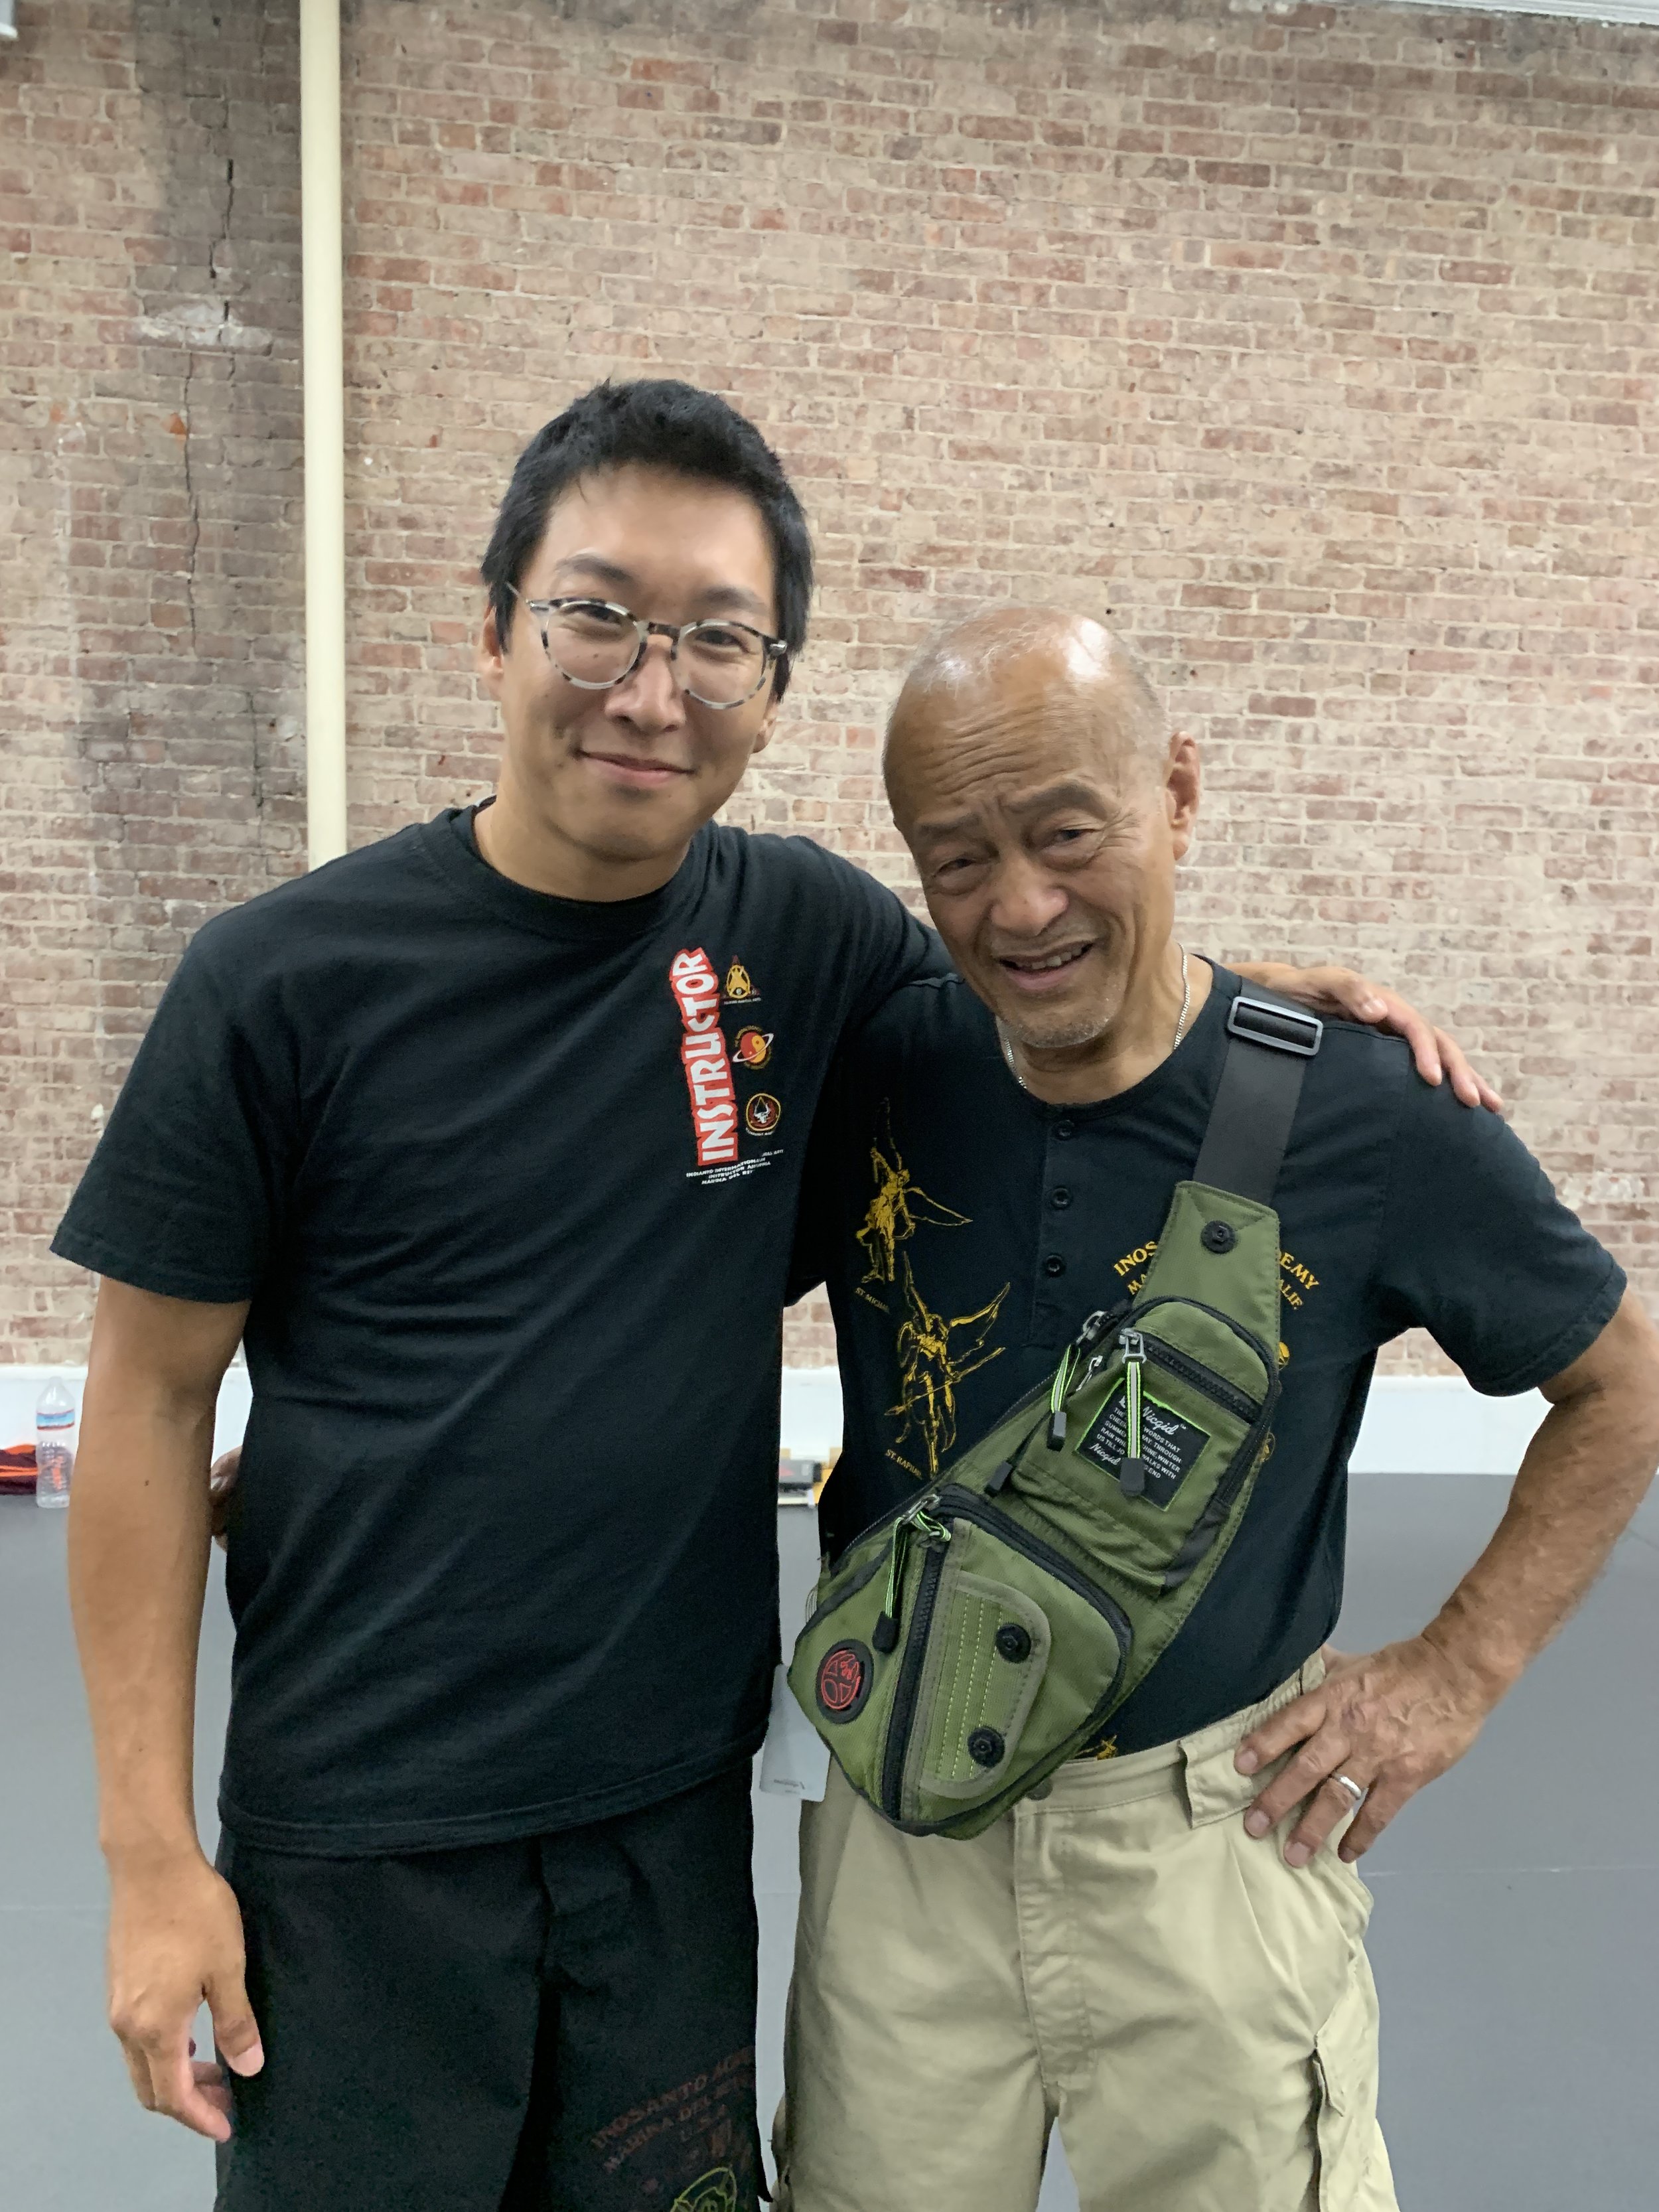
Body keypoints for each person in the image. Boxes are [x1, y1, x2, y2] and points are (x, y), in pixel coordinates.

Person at [58, 382, 1479, 2212]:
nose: (651, 688)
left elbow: (1043, 974)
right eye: (595, 615)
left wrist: (1253, 1000)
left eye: (716, 639)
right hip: (362, 1843)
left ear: (770, 688)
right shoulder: (278, 981)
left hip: (668, 1825)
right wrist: (150, 1853)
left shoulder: (801, 936)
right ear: (491, 626)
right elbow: (149, 1404)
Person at [775, 607, 1659, 2212]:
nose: (1017, 905)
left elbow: (1619, 1383)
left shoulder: (1363, 1111)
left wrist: (1453, 1671)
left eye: (1065, 835)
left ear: (1177, 792)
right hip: (897, 1837)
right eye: (955, 856)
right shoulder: (881, 1066)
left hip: (1206, 1833)